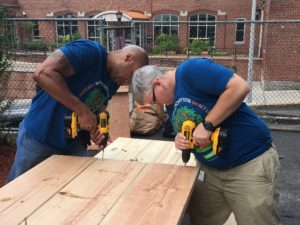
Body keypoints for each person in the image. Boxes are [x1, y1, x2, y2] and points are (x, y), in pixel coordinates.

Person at [131, 59, 280, 225]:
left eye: (154, 99)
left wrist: (207, 124)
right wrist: (181, 139)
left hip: (248, 164)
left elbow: (240, 87)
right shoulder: (171, 100)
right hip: (209, 171)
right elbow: (191, 125)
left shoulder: (192, 70)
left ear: (158, 83)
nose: (157, 105)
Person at [8, 39, 149, 182]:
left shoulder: (114, 81)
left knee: (73, 191)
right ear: (128, 58)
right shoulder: (89, 51)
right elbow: (42, 73)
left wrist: (96, 128)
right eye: (131, 75)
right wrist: (82, 111)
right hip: (41, 136)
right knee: (20, 188)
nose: (128, 82)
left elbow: (99, 107)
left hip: (73, 143)